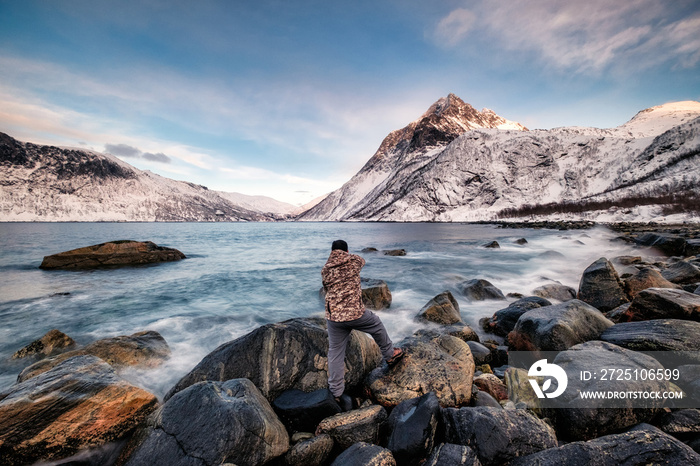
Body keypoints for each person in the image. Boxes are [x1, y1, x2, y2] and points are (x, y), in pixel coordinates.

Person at [321, 239, 404, 411]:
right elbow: (362, 260)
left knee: (335, 353)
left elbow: (326, 287)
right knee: (376, 325)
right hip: (355, 313)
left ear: (331, 252)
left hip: (334, 317)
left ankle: (336, 391)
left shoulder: (325, 270)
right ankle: (389, 354)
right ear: (346, 251)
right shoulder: (354, 262)